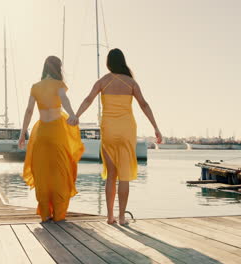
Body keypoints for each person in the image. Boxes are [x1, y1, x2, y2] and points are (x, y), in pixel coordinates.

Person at [73, 48, 162, 225]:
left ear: (108, 63)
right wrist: (156, 128)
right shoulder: (131, 83)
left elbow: (88, 99)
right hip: (127, 129)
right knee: (124, 175)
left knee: (111, 174)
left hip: (109, 130)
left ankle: (110, 217)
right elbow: (144, 105)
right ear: (123, 62)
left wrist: (77, 115)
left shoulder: (103, 82)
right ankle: (121, 218)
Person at [18, 56, 84, 222]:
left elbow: (28, 111)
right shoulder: (58, 85)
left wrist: (22, 134)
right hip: (57, 133)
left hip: (41, 134)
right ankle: (58, 214)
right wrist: (72, 114)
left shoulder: (35, 87)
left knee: (42, 174)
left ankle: (45, 214)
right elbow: (65, 100)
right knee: (60, 173)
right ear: (58, 68)